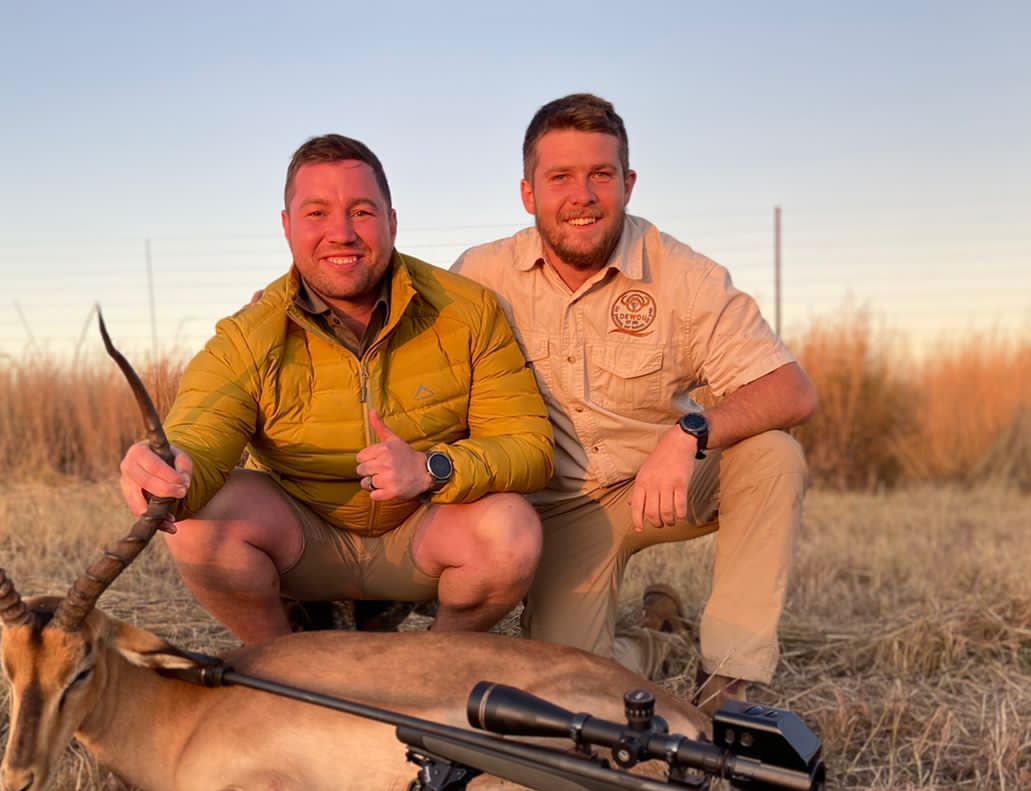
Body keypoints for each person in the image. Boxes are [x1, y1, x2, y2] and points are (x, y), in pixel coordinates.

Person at [453, 94, 818, 711]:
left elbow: (791, 389)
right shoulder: (478, 275)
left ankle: (727, 682)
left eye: (601, 174)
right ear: (528, 193)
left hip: (664, 484)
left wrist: (689, 434)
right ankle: (655, 638)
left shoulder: (684, 275)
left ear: (628, 183)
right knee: (571, 689)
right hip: (562, 510)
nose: (582, 195)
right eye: (560, 177)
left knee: (773, 454)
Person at [120, 135, 553, 643]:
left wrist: (432, 468)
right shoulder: (248, 333)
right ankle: (279, 665)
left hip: (420, 535)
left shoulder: (468, 310)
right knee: (201, 527)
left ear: (392, 222)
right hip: (303, 544)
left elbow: (529, 448)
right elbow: (198, 434)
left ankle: (435, 662)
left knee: (511, 531)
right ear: (287, 227)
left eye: (362, 212)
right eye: (317, 213)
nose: (342, 234)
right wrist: (167, 471)